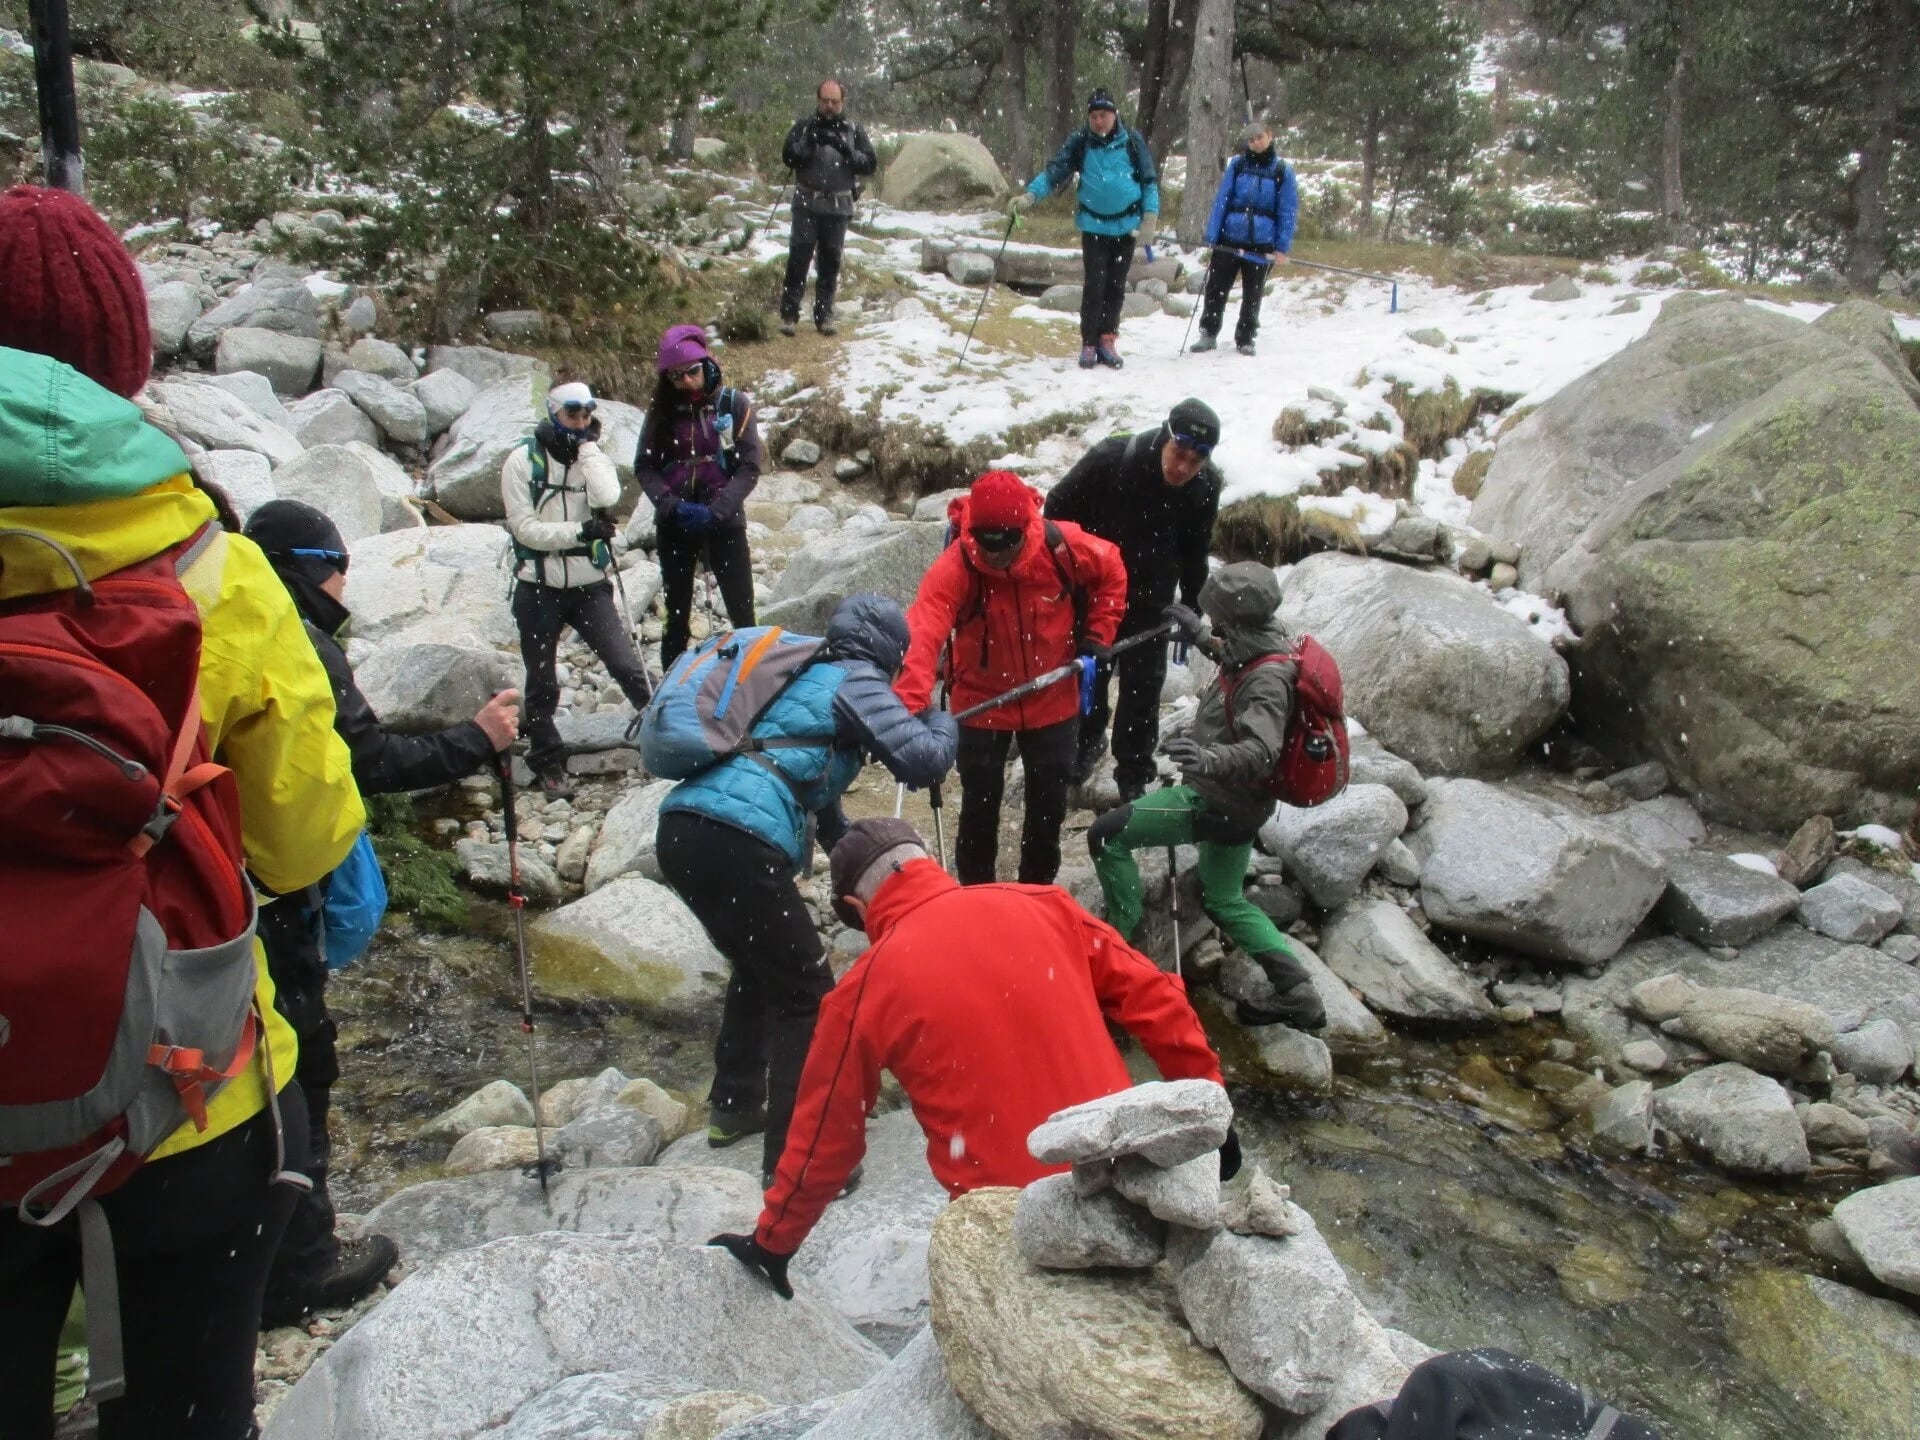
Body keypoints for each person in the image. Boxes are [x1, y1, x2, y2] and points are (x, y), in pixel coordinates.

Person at [0, 184, 363, 1439]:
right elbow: (305, 839)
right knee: (191, 1417)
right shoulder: (216, 567)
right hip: (183, 1088)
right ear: (124, 365)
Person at [706, 817, 1232, 1293]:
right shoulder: (1044, 904)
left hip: (1015, 1228)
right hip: (1128, 1186)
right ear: (927, 862)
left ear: (856, 910)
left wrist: (773, 1243)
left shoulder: (861, 992)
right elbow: (1159, 1001)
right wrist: (1212, 1117)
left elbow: (825, 1140)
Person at [242, 499, 520, 1329]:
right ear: (308, 563)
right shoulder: (295, 639)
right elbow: (368, 759)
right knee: (297, 1060)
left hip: (204, 889)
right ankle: (299, 1264)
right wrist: (477, 740)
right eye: (339, 564)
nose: (345, 581)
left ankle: (232, 1252)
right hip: (268, 891)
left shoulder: (218, 612)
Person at [655, 595, 958, 1184]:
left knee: (758, 966)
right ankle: (799, 1161)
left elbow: (827, 819)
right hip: (737, 838)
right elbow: (923, 762)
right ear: (889, 652)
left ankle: (735, 1107)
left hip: (685, 831)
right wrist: (944, 721)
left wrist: (865, 889)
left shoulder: (801, 682)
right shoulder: (855, 680)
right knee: (809, 994)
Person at [1088, 562, 1326, 1030]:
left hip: (1216, 802)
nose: (1211, 619)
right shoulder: (1264, 647)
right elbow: (1237, 660)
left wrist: (1205, 758)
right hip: (1245, 807)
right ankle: (1299, 993)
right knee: (1223, 899)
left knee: (1106, 835)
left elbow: (1260, 751)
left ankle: (1123, 951)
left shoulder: (1266, 681)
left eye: (1215, 614)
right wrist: (1200, 638)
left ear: (1236, 618)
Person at [896, 470, 1126, 887]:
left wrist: (1098, 635)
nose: (994, 558)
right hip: (980, 702)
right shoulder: (957, 566)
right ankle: (978, 895)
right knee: (979, 809)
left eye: (1006, 547)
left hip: (1053, 694)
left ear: (1026, 526)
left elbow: (1112, 570)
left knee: (1048, 809)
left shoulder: (1063, 546)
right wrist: (910, 708)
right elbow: (923, 633)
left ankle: (1035, 895)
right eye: (986, 547)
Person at [1044, 399, 1223, 800]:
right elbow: (1055, 508)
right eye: (1179, 453)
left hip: (1152, 598)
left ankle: (1134, 772)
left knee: (1144, 688)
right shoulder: (1113, 458)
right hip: (1094, 589)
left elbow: (1197, 550)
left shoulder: (1205, 485)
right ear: (1165, 436)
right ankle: (1085, 744)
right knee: (1090, 673)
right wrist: (1075, 567)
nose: (1183, 468)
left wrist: (1193, 605)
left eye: (1195, 461)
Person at [503, 379, 653, 798]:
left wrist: (587, 449)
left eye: (588, 414)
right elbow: (525, 529)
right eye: (573, 414)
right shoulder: (521, 462)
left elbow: (608, 494)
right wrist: (580, 532)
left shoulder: (591, 456)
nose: (582, 421)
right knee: (542, 679)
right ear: (554, 413)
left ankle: (667, 730)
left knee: (625, 664)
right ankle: (549, 760)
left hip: (589, 584)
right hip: (538, 586)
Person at [634, 324, 763, 670]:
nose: (687, 382)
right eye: (676, 377)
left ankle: (753, 682)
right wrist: (670, 504)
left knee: (742, 611)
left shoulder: (734, 405)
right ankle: (672, 684)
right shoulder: (660, 412)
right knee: (676, 614)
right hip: (675, 522)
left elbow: (749, 466)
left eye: (692, 372)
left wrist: (717, 511)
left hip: (725, 521)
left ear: (706, 365)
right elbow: (644, 466)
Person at [1009, 88, 1160, 370]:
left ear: (1114, 115)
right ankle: (1088, 342)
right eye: (1093, 116)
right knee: (1095, 285)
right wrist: (1030, 196)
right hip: (1094, 227)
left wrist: (1150, 218)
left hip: (1127, 228)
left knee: (1116, 286)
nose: (1098, 121)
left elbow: (1149, 182)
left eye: (1103, 115)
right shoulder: (1081, 141)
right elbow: (1055, 171)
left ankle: (1108, 339)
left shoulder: (1133, 141)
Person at [778, 78, 877, 337]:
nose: (829, 106)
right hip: (807, 205)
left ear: (842, 102)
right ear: (818, 100)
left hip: (838, 207)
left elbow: (870, 164)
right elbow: (788, 156)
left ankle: (824, 316)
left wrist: (847, 152)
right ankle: (789, 314)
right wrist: (807, 144)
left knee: (830, 262)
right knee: (798, 258)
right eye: (825, 101)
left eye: (834, 102)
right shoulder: (803, 126)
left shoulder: (854, 130)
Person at [1194, 120, 1299, 355]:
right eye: (1251, 140)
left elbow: (1287, 211)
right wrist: (1213, 233)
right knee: (1216, 288)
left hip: (1262, 242)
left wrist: (1282, 246)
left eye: (1260, 137)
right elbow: (1222, 200)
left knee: (1253, 293)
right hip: (1229, 237)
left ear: (1269, 136)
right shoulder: (1238, 166)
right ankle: (1208, 332)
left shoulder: (1283, 171)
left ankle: (1246, 337)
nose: (1256, 143)